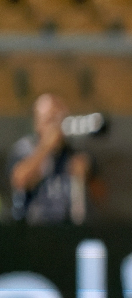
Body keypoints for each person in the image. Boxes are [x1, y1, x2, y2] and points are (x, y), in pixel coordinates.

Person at [8, 93, 94, 225]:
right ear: (37, 123)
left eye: (59, 120)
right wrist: (46, 147)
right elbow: (20, 180)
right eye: (49, 120)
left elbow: (101, 198)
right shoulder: (25, 148)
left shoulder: (75, 153)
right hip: (32, 228)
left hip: (67, 228)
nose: (55, 127)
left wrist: (84, 176)